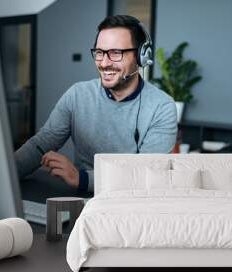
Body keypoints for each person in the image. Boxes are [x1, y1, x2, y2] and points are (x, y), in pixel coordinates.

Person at [15, 15, 177, 193]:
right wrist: (6, 173)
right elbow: (41, 144)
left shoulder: (162, 107)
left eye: (116, 53)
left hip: (131, 205)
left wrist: (81, 179)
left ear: (140, 56)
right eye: (99, 53)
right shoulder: (77, 95)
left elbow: (146, 175)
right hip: (81, 202)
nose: (104, 63)